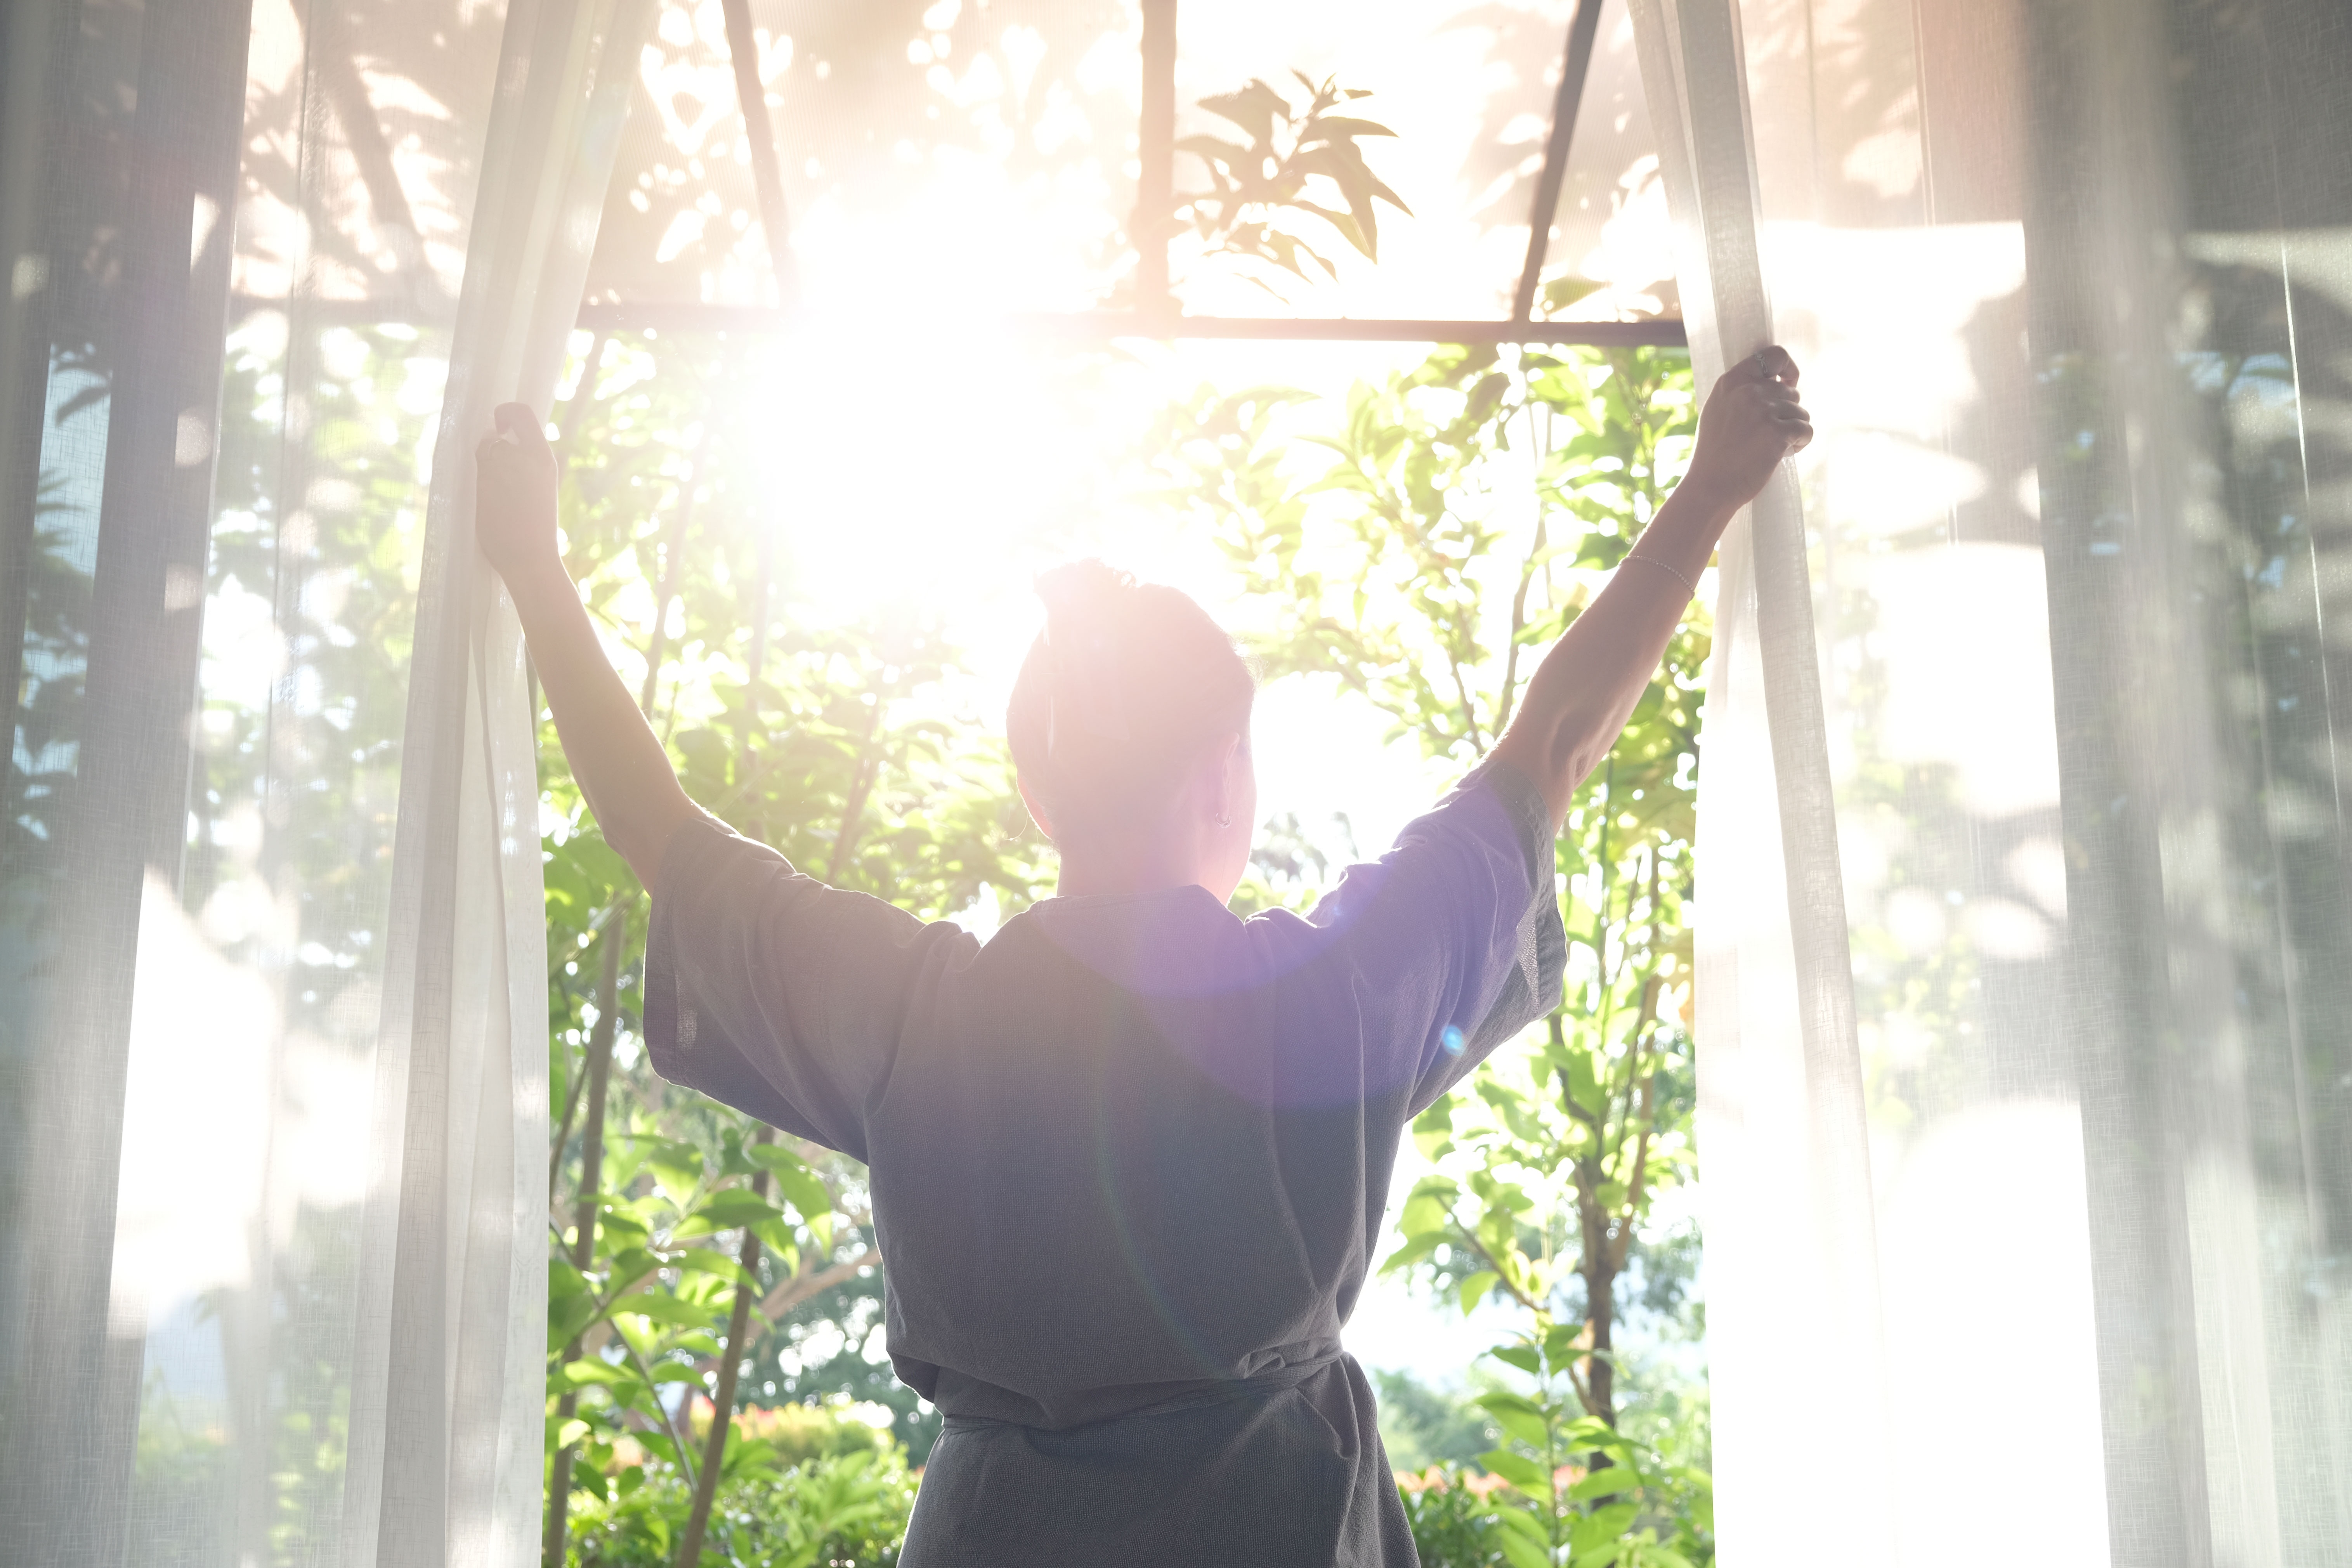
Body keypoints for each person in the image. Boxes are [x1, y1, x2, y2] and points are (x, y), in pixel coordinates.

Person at [478, 347, 1811, 1566]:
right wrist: (1706, 492)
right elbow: (1553, 742)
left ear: (1036, 795)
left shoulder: (915, 1017)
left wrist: (537, 572)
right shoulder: (1329, 1000)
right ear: (1226, 771)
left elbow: (665, 835)